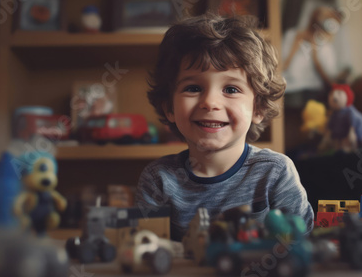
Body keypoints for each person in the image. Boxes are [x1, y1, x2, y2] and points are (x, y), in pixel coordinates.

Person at [135, 13, 314, 241]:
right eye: (193, 88)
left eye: (230, 89)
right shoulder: (157, 180)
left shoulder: (275, 173)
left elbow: (303, 244)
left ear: (257, 108)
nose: (210, 102)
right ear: (169, 107)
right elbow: (148, 257)